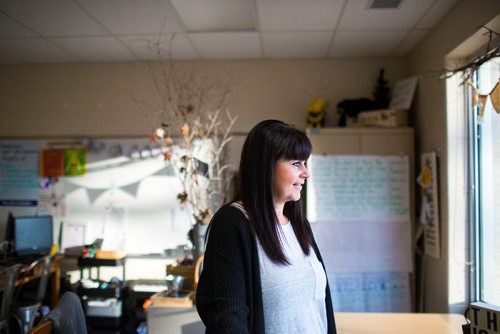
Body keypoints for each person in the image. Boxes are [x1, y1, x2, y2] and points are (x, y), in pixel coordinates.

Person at [196, 119, 337, 333]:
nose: (306, 173)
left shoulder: (299, 224)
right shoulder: (233, 224)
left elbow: (318, 311)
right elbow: (226, 318)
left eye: (304, 163)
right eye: (295, 163)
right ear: (266, 166)